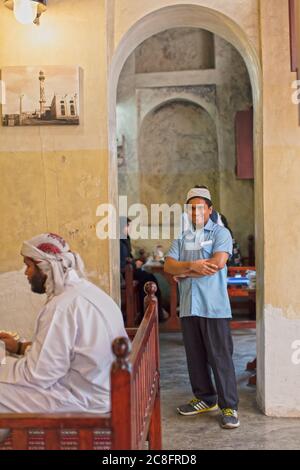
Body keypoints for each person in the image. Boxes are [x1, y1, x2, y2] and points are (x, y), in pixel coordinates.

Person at [0, 233, 127, 442]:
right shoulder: (86, 292)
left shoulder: (61, 307)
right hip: (101, 389)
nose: (26, 273)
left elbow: (37, 376)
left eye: (28, 266)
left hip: (85, 401)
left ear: (45, 267)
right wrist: (19, 347)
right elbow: (60, 355)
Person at [164, 187, 240, 429]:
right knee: (195, 357)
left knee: (220, 357)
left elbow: (218, 262)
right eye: (191, 208)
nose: (195, 212)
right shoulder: (182, 237)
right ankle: (205, 398)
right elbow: (168, 266)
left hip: (214, 306)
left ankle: (229, 406)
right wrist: (191, 266)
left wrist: (184, 270)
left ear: (209, 209)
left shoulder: (221, 233)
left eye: (200, 207)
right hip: (189, 307)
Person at [120, 217, 168, 323]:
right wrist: (134, 263)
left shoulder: (125, 240)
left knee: (151, 278)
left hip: (131, 270)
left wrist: (136, 261)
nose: (130, 228)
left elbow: (128, 258)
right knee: (149, 280)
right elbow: (121, 263)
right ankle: (150, 313)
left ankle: (156, 311)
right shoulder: (119, 242)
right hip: (125, 274)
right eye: (128, 226)